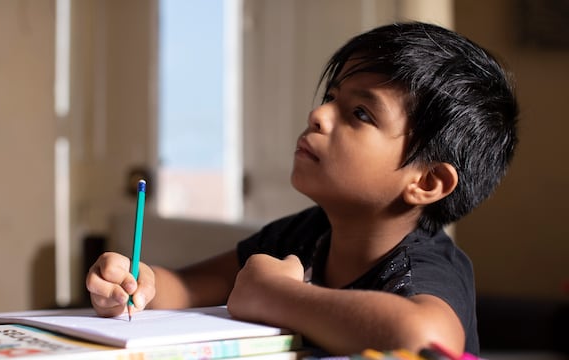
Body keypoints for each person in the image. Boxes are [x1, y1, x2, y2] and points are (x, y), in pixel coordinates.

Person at [86, 22, 518, 356]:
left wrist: (277, 294)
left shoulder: (424, 265)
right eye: (332, 97)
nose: (319, 114)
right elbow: (188, 287)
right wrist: (137, 282)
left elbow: (426, 336)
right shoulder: (305, 235)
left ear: (426, 182)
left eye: (361, 114)